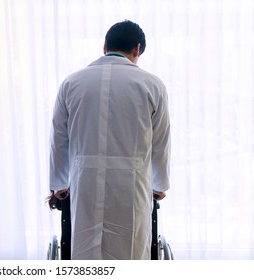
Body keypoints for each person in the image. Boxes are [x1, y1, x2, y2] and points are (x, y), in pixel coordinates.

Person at [49, 20, 170, 260]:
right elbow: (160, 143)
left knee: (86, 253)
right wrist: (159, 185)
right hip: (132, 187)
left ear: (105, 46)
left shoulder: (72, 83)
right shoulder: (152, 85)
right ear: (137, 49)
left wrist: (59, 183)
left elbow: (58, 137)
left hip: (85, 184)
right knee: (131, 251)